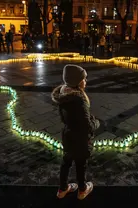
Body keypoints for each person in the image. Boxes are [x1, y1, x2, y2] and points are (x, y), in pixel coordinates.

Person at [51, 64, 100, 200]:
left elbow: (64, 118)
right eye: (83, 79)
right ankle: (82, 190)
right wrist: (96, 123)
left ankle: (62, 189)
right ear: (77, 82)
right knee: (81, 164)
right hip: (81, 138)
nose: (86, 81)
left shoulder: (64, 95)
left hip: (68, 135)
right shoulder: (79, 100)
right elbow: (86, 125)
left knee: (66, 162)